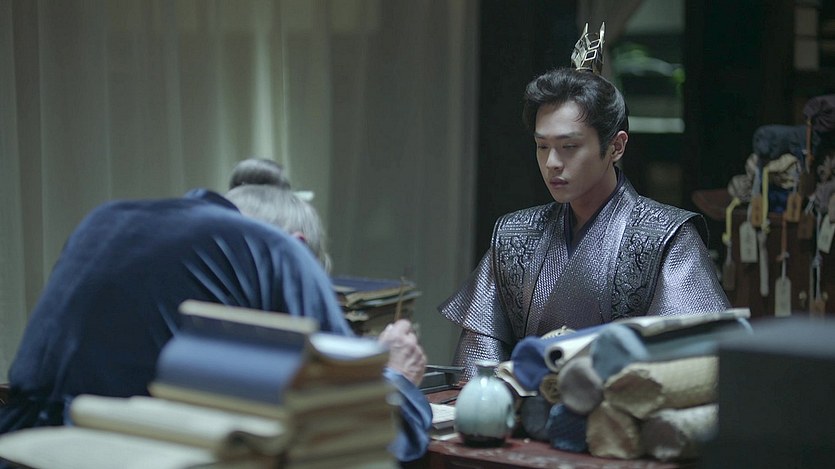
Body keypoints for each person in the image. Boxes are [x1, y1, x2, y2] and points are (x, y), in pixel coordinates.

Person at [0, 185, 430, 463]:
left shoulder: (105, 221)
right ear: (300, 245)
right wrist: (396, 376)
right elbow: (355, 436)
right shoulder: (278, 251)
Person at [438, 24, 731, 380]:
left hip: (624, 407)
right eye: (542, 146)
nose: (552, 163)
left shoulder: (668, 236)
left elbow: (694, 360)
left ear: (616, 146)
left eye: (569, 146)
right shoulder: (514, 235)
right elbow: (477, 363)